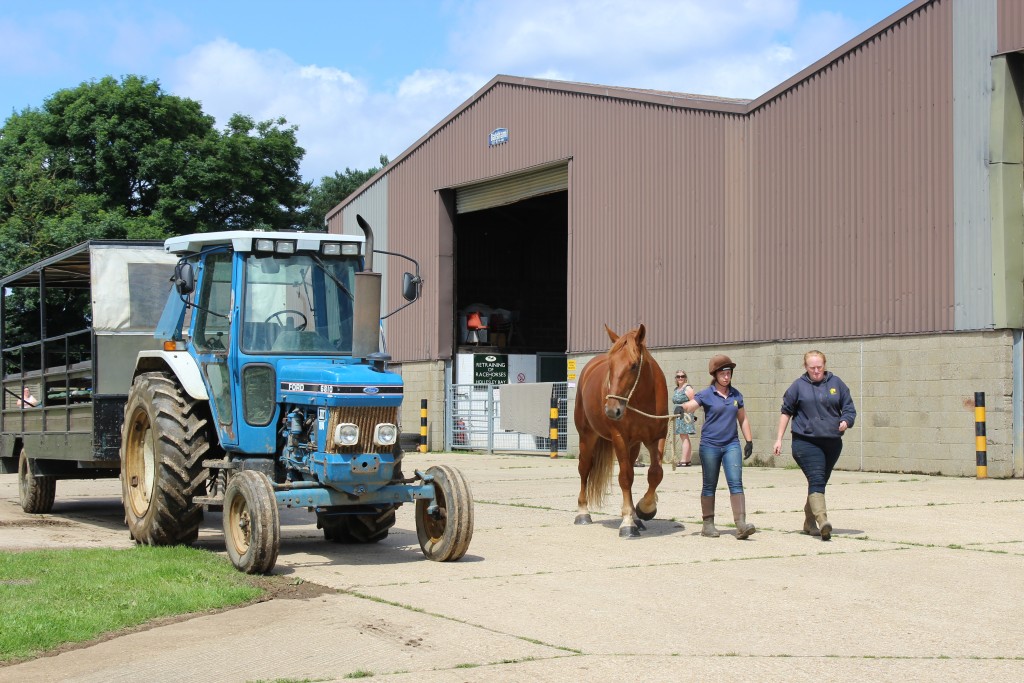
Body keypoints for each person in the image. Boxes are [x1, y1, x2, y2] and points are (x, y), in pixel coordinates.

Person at [771, 350, 856, 541]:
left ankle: (808, 523)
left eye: (819, 367)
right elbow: (786, 412)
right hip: (805, 441)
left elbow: (849, 408)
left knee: (818, 482)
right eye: (812, 368)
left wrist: (846, 421)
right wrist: (779, 439)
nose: (816, 371)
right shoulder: (798, 386)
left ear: (824, 365)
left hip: (832, 442)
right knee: (817, 478)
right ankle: (822, 521)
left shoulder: (836, 383)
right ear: (805, 367)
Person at [681, 354, 755, 539]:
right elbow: (692, 405)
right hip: (710, 446)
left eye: (728, 373)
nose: (726, 376)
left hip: (731, 445)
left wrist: (749, 440)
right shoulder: (707, 393)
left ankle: (741, 525)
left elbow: (743, 418)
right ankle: (708, 524)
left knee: (736, 483)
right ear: (715, 374)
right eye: (723, 373)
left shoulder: (736, 395)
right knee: (709, 485)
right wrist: (682, 408)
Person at [671, 370, 696, 469]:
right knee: (683, 436)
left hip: (685, 415)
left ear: (685, 377)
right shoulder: (677, 389)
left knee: (684, 436)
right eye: (678, 376)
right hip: (678, 415)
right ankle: (687, 459)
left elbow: (693, 402)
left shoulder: (688, 388)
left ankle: (684, 460)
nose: (680, 378)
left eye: (682, 376)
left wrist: (691, 416)